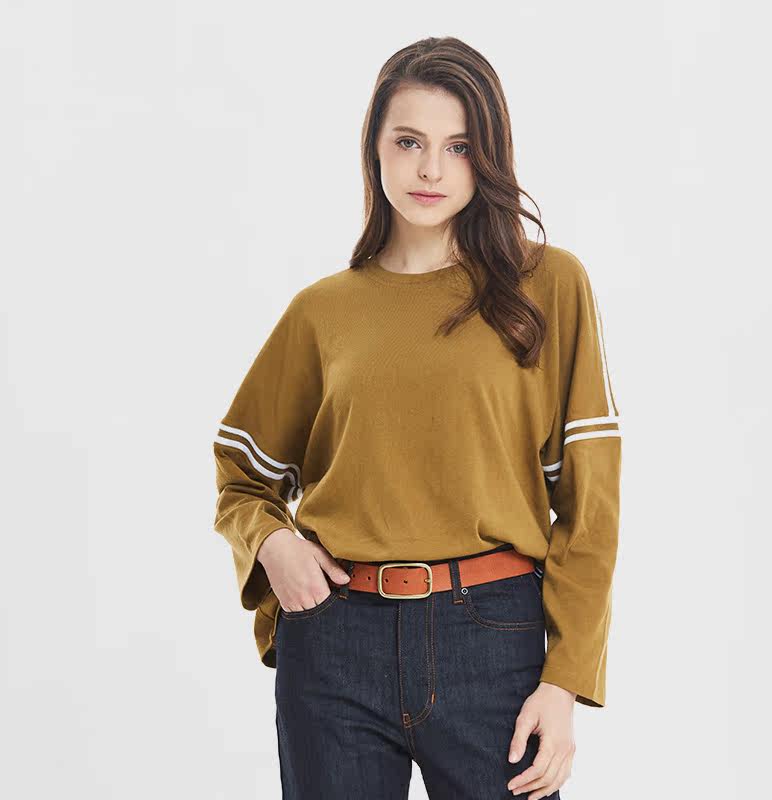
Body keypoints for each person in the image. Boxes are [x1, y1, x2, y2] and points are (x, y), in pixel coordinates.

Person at [212, 35, 621, 800]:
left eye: (458, 146)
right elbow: (240, 472)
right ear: (375, 148)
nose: (431, 169)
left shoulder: (548, 287)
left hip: (495, 641)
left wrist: (564, 680)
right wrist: (272, 543)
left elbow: (590, 505)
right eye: (409, 142)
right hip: (334, 643)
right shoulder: (322, 312)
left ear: (489, 155)